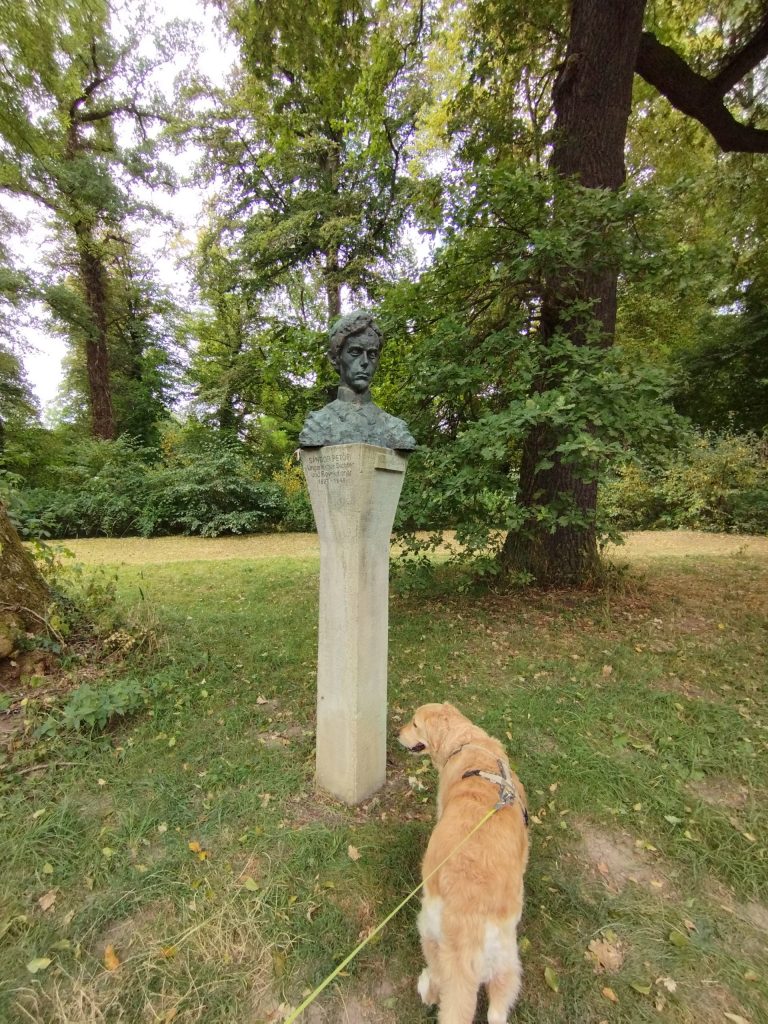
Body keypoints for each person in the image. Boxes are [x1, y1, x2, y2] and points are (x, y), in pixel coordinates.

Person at [299, 311, 417, 450]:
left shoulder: (395, 429)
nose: (365, 362)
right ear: (334, 359)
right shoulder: (317, 426)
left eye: (372, 354)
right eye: (355, 352)